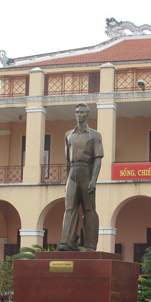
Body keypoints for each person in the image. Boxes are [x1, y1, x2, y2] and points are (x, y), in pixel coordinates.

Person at [58, 102, 103, 251]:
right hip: (73, 172)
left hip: (87, 171)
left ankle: (90, 244)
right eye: (77, 112)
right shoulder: (68, 135)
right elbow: (66, 160)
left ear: (87, 114)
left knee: (89, 209)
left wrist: (94, 180)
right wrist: (66, 180)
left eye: (82, 112)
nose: (79, 115)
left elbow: (97, 159)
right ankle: (67, 242)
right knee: (70, 207)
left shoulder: (95, 135)